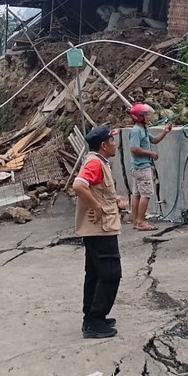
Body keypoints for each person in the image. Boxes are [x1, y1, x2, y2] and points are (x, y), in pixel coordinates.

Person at [72, 124, 129, 339]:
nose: (115, 143)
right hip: (100, 229)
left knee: (95, 274)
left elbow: (97, 188)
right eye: (112, 140)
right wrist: (97, 207)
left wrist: (113, 200)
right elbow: (79, 186)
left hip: (99, 228)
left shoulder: (98, 162)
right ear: (104, 145)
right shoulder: (95, 163)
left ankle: (93, 317)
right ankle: (94, 321)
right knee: (110, 273)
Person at [128, 103, 172, 231]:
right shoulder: (136, 131)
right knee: (146, 194)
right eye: (145, 115)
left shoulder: (143, 130)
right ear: (139, 117)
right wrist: (151, 153)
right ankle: (141, 222)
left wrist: (165, 131)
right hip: (142, 167)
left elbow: (154, 140)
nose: (148, 117)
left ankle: (136, 221)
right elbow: (134, 148)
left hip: (138, 168)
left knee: (137, 194)